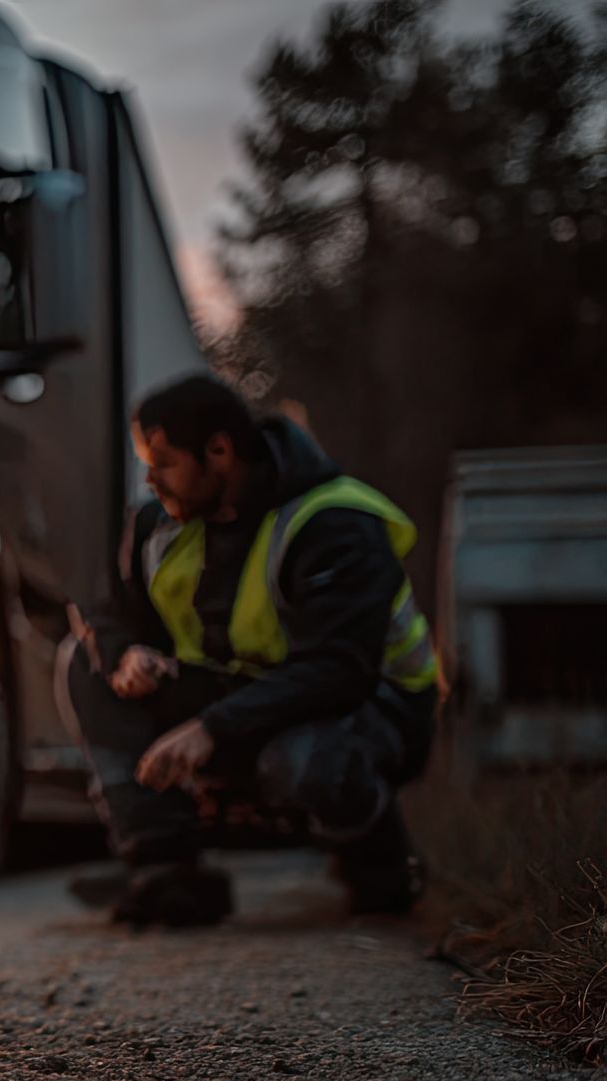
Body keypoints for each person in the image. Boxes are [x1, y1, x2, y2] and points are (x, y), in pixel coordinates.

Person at [64, 373, 439, 927]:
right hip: (242, 699)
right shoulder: (158, 522)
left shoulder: (333, 523)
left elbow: (339, 672)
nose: (150, 479)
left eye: (164, 462)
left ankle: (382, 865)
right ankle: (166, 872)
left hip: (373, 710)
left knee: (301, 758)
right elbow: (108, 613)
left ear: (219, 451)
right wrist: (127, 655)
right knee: (81, 663)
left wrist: (211, 727)